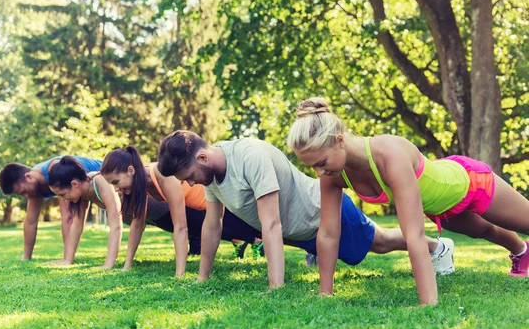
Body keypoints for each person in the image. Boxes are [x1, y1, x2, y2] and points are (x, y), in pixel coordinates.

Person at [287, 97, 529, 305]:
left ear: (339, 141)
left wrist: (428, 303)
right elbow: (329, 234)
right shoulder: (333, 175)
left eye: (321, 163)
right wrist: (324, 293)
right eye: (312, 167)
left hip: (470, 183)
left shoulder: (389, 155)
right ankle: (522, 252)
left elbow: (413, 234)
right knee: (485, 230)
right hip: (443, 207)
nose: (318, 173)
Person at [156, 130, 454, 289]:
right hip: (299, 232)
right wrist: (202, 277)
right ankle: (315, 253)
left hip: (322, 215)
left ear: (203, 158)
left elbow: (271, 225)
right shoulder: (210, 173)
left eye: (190, 176)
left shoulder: (250, 157)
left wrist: (276, 287)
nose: (191, 183)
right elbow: (212, 224)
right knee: (371, 244)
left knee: (379, 242)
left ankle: (438, 247)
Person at [99, 146, 265, 275]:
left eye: (116, 182)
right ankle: (252, 241)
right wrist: (127, 266)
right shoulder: (141, 185)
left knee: (260, 231)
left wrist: (180, 274)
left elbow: (180, 227)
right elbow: (137, 225)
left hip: (222, 208)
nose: (115, 189)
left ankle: (257, 243)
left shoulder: (162, 175)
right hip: (203, 212)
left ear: (131, 170)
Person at [0, 156, 102, 262]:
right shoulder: (34, 184)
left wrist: (66, 260)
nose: (25, 196)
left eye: (23, 191)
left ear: (28, 177)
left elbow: (68, 217)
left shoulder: (56, 170)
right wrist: (26, 258)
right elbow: (30, 222)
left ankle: (68, 257)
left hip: (105, 173)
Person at [47, 156, 122, 268]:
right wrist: (67, 259)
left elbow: (116, 225)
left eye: (62, 194)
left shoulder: (101, 182)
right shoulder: (82, 195)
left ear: (74, 184)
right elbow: (76, 226)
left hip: (153, 208)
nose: (62, 199)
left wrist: (108, 264)